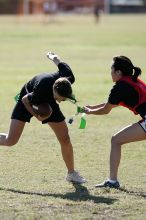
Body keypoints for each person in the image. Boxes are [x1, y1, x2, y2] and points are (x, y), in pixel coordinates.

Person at [0, 52, 86, 184]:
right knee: (11, 140)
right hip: (28, 99)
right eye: (61, 98)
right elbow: (24, 100)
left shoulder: (68, 78)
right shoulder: (41, 88)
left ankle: (71, 173)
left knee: (65, 138)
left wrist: (53, 57)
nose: (62, 101)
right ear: (55, 91)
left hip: (48, 100)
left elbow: (59, 62)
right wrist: (37, 116)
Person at [83, 56, 146, 188]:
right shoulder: (132, 81)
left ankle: (112, 181)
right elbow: (112, 103)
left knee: (116, 140)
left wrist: (90, 112)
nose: (110, 72)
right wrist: (92, 107)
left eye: (111, 69)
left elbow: (106, 110)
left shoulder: (120, 87)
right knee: (116, 140)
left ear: (118, 72)